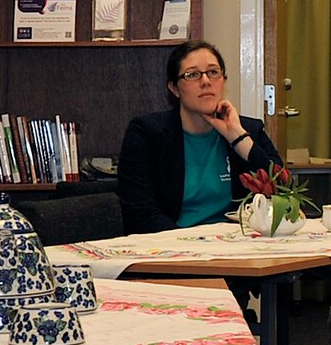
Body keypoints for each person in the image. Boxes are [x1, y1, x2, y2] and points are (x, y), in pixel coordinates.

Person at [117, 40, 286, 234]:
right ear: (174, 88)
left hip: (236, 243)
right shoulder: (146, 133)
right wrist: (189, 245)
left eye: (213, 72)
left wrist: (238, 138)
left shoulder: (249, 129)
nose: (205, 81)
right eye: (192, 74)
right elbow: (140, 212)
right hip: (173, 243)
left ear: (223, 80)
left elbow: (284, 192)